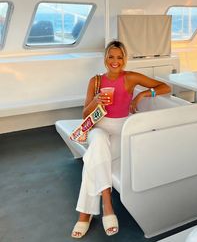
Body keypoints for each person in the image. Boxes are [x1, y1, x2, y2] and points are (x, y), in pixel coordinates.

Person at [71, 40, 171, 238]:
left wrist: (142, 94)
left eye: (119, 57)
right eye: (111, 57)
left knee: (95, 159)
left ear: (124, 59)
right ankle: (107, 204)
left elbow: (165, 87)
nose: (115, 61)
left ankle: (85, 215)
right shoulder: (95, 81)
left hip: (123, 129)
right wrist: (96, 100)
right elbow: (85, 115)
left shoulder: (131, 77)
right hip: (99, 127)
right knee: (98, 142)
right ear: (105, 58)